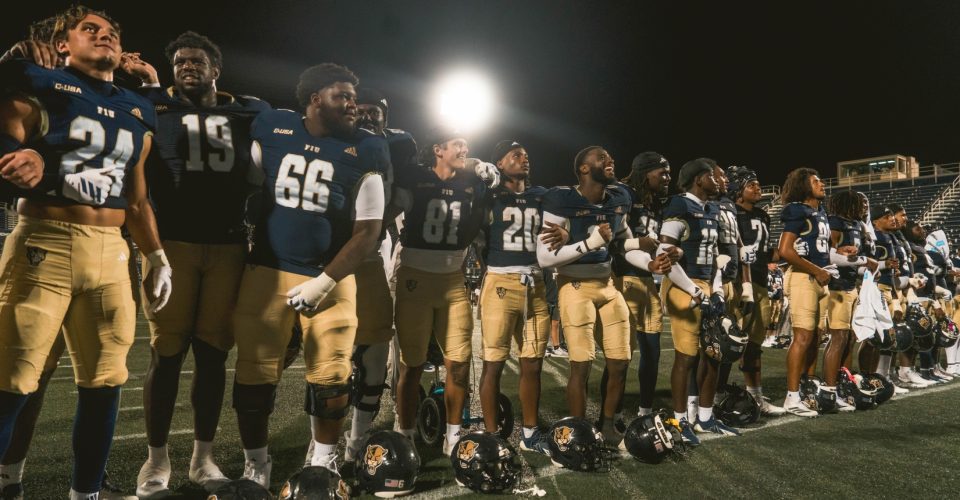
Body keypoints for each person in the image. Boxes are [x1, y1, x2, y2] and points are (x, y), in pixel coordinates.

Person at [0, 6, 170, 499]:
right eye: (89, 29)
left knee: (105, 383)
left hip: (112, 253)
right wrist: (26, 158)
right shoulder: (39, 86)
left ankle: (87, 493)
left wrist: (156, 255)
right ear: (61, 46)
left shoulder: (136, 108)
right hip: (45, 242)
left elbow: (136, 197)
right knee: (12, 379)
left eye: (112, 32)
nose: (105, 36)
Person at [117, 31, 272, 495]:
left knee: (212, 355)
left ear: (215, 69)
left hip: (227, 245)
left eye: (197, 60)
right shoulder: (151, 105)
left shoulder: (249, 109)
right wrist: (146, 82)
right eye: (180, 60)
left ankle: (202, 458)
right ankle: (156, 461)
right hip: (173, 245)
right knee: (166, 353)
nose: (188, 66)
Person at [230, 63, 388, 488]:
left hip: (330, 277)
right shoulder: (273, 126)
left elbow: (369, 231)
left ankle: (322, 462)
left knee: (333, 375)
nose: (353, 105)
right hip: (266, 268)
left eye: (354, 97)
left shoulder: (367, 149)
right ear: (315, 99)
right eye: (342, 96)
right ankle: (256, 466)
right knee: (254, 375)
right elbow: (248, 183)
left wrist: (325, 281)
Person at [537, 146, 663, 445]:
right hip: (575, 287)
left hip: (608, 285)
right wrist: (590, 243)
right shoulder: (562, 199)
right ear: (583, 168)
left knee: (620, 361)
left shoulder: (619, 198)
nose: (610, 160)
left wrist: (649, 261)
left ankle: (607, 426)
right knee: (580, 365)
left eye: (611, 155)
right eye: (601, 157)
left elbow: (623, 245)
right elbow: (545, 257)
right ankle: (579, 432)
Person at [391, 128, 499, 456]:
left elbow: (485, 212)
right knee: (411, 365)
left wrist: (482, 167)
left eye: (467, 145)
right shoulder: (416, 178)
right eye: (457, 145)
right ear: (438, 149)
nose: (465, 149)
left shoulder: (471, 183)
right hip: (415, 279)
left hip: (453, 280)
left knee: (460, 363)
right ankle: (405, 430)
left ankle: (453, 433)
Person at [338, 88, 417, 462]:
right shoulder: (331, 136)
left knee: (375, 351)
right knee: (327, 357)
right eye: (361, 110)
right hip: (322, 257)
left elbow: (415, 186)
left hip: (368, 257)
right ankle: (319, 446)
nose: (368, 116)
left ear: (386, 117)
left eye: (375, 112)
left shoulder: (398, 146)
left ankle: (356, 441)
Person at [477, 140, 564, 455]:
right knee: (494, 364)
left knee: (533, 365)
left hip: (536, 284)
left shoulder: (542, 195)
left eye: (526, 154)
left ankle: (529, 433)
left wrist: (564, 233)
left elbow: (559, 229)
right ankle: (491, 436)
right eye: (516, 155)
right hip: (501, 281)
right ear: (499, 163)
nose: (524, 158)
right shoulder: (490, 194)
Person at [658, 158, 738, 442]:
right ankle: (680, 421)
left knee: (715, 352)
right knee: (687, 356)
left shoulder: (713, 208)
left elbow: (717, 256)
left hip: (707, 282)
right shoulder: (680, 205)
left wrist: (716, 289)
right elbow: (665, 255)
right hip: (683, 282)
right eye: (712, 177)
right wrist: (695, 290)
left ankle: (705, 416)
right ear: (699, 179)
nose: (718, 181)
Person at [604, 151, 670, 421]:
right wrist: (641, 251)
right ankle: (612, 414)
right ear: (645, 172)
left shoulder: (653, 201)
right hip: (623, 279)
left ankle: (645, 409)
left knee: (652, 351)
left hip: (647, 280)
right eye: (662, 172)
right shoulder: (622, 194)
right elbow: (613, 240)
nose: (667, 178)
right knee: (620, 355)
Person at [727, 166, 785, 415]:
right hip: (737, 283)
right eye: (751, 184)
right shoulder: (729, 212)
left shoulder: (763, 214)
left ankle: (755, 395)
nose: (757, 187)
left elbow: (765, 250)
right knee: (727, 342)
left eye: (758, 183)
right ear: (737, 190)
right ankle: (715, 392)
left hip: (760, 280)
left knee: (754, 343)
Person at [777, 168, 833, 417]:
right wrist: (816, 270)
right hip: (803, 277)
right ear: (804, 185)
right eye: (815, 180)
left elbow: (818, 249)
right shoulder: (797, 209)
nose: (821, 184)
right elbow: (785, 251)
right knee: (801, 337)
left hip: (819, 277)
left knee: (816, 337)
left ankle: (808, 388)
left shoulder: (819, 212)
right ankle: (792, 396)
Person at [822, 190, 878, 411]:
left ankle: (843, 384)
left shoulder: (856, 225)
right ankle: (829, 389)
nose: (865, 206)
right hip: (836, 286)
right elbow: (828, 254)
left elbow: (853, 260)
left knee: (849, 339)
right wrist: (863, 260)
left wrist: (868, 266)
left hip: (851, 285)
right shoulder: (835, 221)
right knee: (838, 337)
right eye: (860, 202)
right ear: (847, 202)